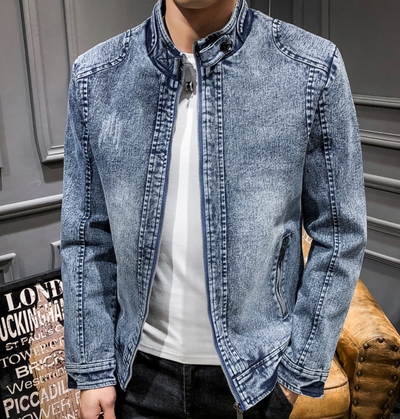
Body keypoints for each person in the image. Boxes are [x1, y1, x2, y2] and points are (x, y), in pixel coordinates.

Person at [60, 0, 367, 418]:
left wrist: (296, 373)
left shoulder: (310, 68)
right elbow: (86, 237)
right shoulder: (96, 75)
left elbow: (340, 233)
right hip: (136, 378)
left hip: (255, 381)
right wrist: (93, 369)